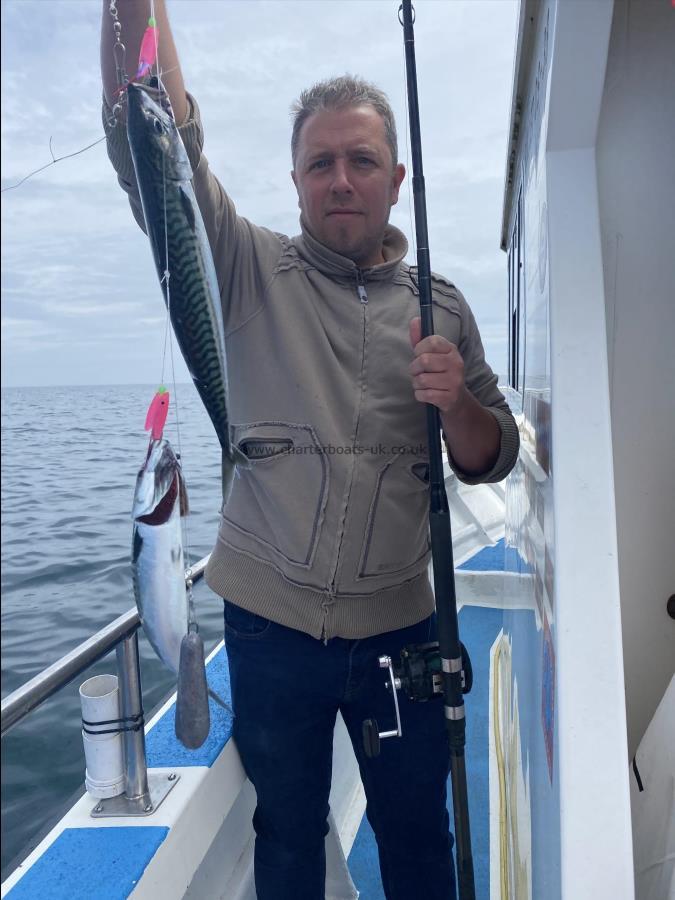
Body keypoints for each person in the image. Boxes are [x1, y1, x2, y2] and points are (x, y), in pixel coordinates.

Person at [101, 4, 519, 898]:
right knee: (286, 833)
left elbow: (491, 458)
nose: (340, 180)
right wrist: (138, 12)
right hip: (269, 628)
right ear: (294, 181)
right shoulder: (246, 266)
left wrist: (456, 409)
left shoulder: (442, 307)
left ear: (396, 179)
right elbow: (160, 152)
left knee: (417, 833)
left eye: (360, 161)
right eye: (320, 163)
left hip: (401, 630)